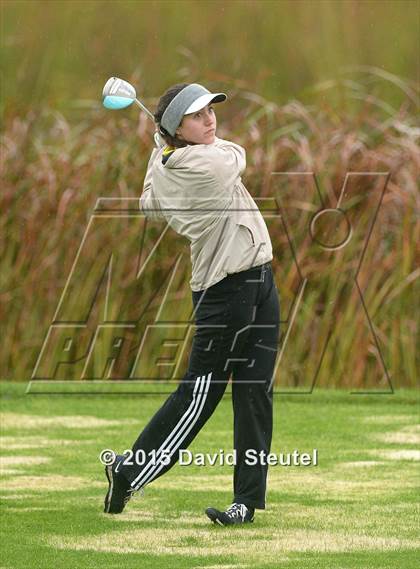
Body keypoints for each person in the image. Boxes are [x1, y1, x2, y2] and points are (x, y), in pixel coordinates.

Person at [103, 82, 280, 526]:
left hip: (260, 280)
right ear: (177, 129)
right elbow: (236, 154)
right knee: (200, 396)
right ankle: (129, 470)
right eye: (197, 115)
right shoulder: (207, 166)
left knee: (255, 392)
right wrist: (168, 149)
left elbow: (150, 203)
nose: (211, 120)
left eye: (210, 111)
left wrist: (159, 148)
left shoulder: (170, 163)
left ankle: (246, 504)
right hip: (226, 290)